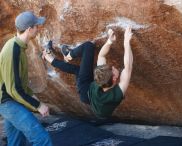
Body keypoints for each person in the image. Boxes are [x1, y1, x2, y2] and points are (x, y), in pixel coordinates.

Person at [42, 27, 133, 118]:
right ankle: (62, 57)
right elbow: (126, 65)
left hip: (86, 91)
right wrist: (114, 41)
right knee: (78, 69)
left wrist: (121, 41)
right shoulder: (114, 89)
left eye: (112, 69)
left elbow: (124, 64)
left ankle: (63, 56)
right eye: (112, 69)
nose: (113, 67)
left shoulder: (106, 83)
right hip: (92, 98)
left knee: (87, 49)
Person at [0, 11, 52, 146]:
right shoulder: (13, 50)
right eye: (36, 26)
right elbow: (14, 89)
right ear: (29, 29)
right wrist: (38, 106)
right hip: (8, 101)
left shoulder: (18, 46)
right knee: (42, 139)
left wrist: (32, 97)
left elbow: (19, 82)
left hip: (10, 99)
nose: (38, 28)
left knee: (15, 142)